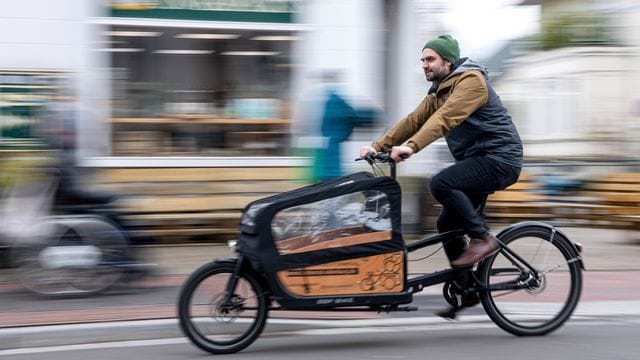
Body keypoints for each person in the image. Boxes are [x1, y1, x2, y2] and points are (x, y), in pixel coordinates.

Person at [359, 34, 523, 270]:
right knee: (447, 223)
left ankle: (484, 238)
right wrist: (377, 147)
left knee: (441, 183)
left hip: (499, 159)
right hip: (478, 160)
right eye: (422, 60)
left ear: (448, 61)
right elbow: (413, 121)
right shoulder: (438, 91)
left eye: (430, 59)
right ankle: (465, 288)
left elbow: (445, 119)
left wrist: (412, 147)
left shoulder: (472, 82)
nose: (424, 64)